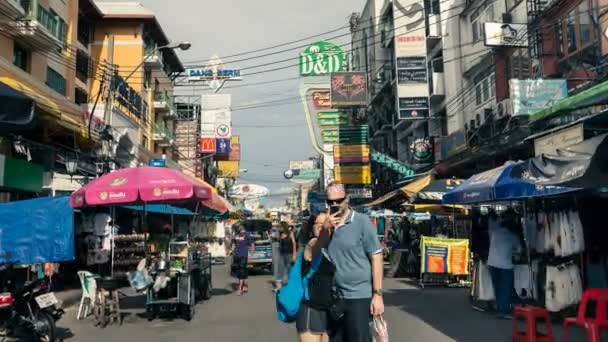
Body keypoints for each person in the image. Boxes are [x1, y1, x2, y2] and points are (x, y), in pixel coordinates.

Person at [325, 183, 384, 342]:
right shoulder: (325, 225)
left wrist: (377, 295)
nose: (335, 205)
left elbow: (376, 257)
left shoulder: (361, 222)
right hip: (334, 297)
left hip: (359, 295)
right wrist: (325, 229)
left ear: (347, 199)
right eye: (330, 202)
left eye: (339, 200)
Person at [296, 212, 333, 342]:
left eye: (324, 223)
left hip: (329, 310)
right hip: (311, 309)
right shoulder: (311, 244)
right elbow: (316, 248)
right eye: (318, 223)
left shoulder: (333, 247)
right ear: (311, 227)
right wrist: (325, 230)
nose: (321, 226)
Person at [487, 208, 522, 318]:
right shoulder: (513, 237)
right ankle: (504, 311)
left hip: (492, 263)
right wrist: (514, 253)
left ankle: (500, 307)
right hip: (505, 265)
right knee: (505, 288)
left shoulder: (494, 232)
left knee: (497, 287)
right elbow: (519, 251)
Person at [230, 224, 254, 296]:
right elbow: (233, 244)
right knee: (238, 272)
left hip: (243, 255)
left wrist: (251, 255)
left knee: (242, 271)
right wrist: (231, 250)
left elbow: (252, 245)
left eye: (238, 227)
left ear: (241, 227)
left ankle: (240, 289)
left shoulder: (247, 234)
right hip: (236, 255)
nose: (237, 229)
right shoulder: (236, 235)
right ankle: (244, 286)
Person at [276, 221, 297, 290]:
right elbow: (280, 244)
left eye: (280, 226)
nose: (279, 228)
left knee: (290, 269)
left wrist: (294, 255)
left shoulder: (290, 233)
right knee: (280, 269)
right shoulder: (280, 234)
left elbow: (294, 244)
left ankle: (292, 285)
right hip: (282, 254)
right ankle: (279, 287)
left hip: (289, 254)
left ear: (283, 227)